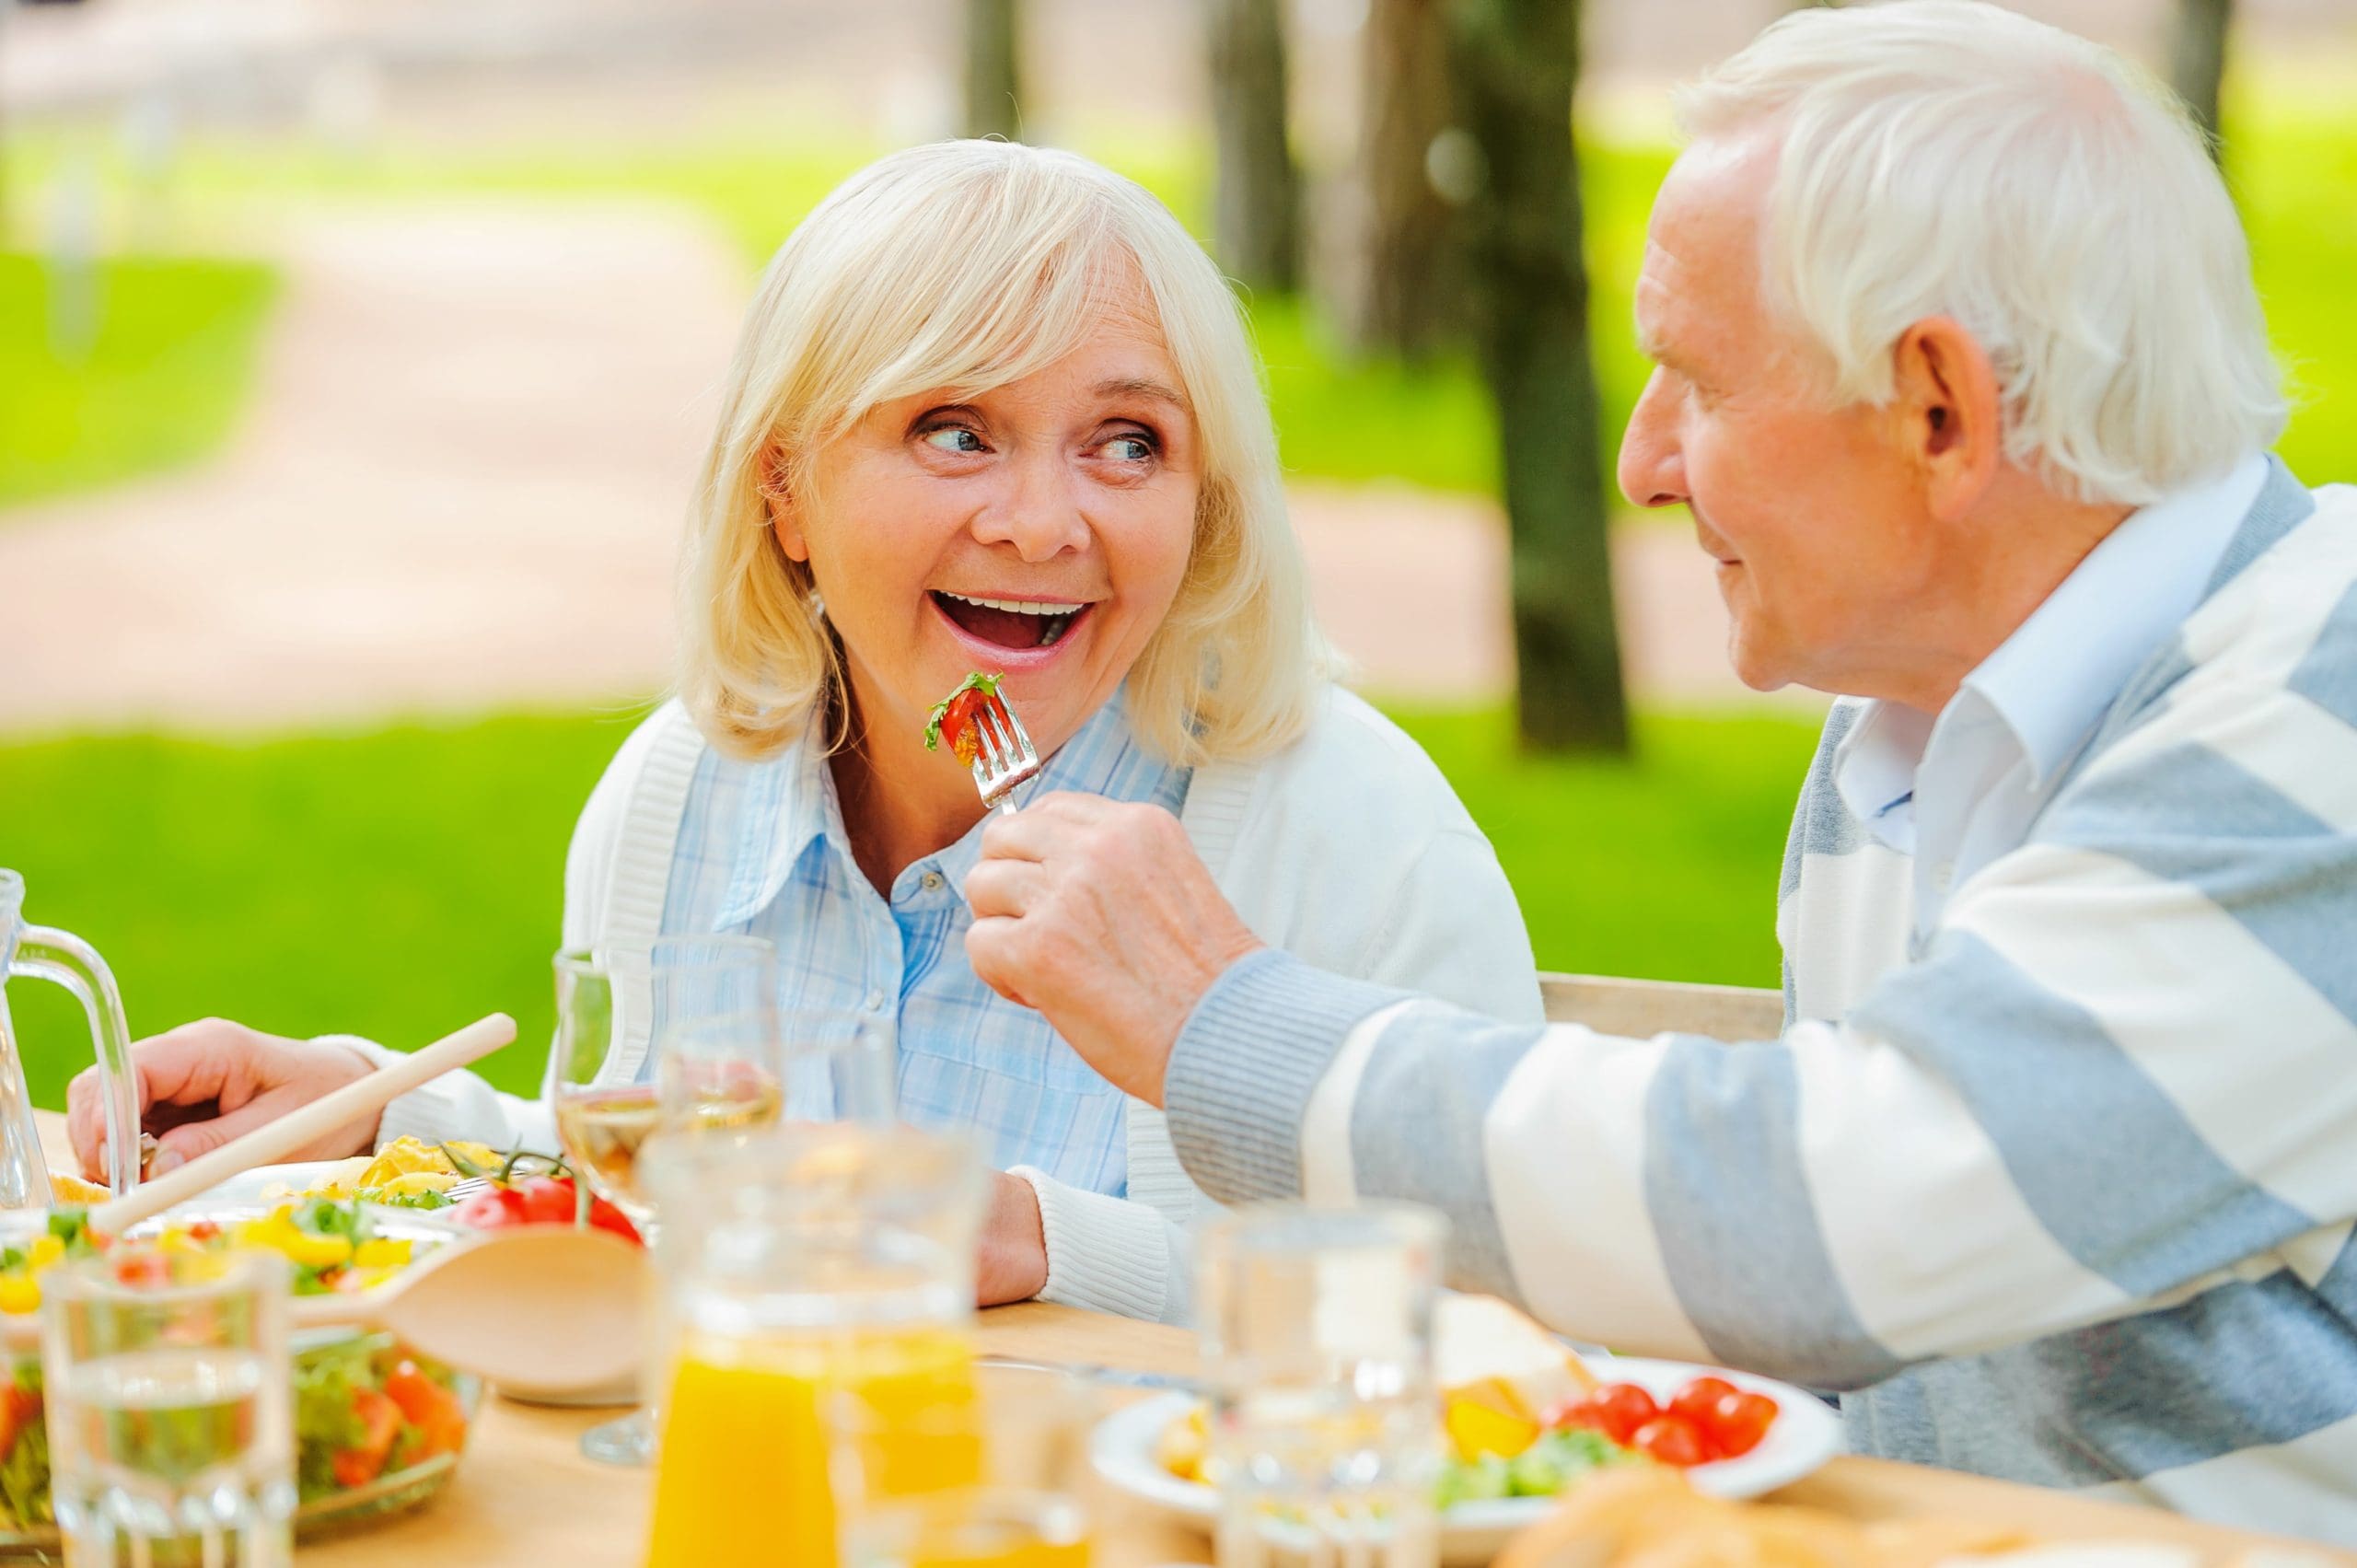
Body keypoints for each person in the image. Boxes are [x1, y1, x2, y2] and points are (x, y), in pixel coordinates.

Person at [960, 1, 2357, 1539]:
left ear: (1938, 410)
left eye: (1695, 379)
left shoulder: (2322, 702)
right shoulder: (1899, 738)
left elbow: (1831, 1226)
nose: (1641, 463)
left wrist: (1226, 1023)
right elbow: (1839, 1357)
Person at [67, 140, 1541, 1324]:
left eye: (1127, 442)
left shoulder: (1346, 825)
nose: (1040, 522)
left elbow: (1516, 1313)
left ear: (1204, 502)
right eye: (953, 429)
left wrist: (1046, 1240)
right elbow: (663, 1195)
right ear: (785, 490)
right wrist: (379, 1111)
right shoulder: (684, 794)